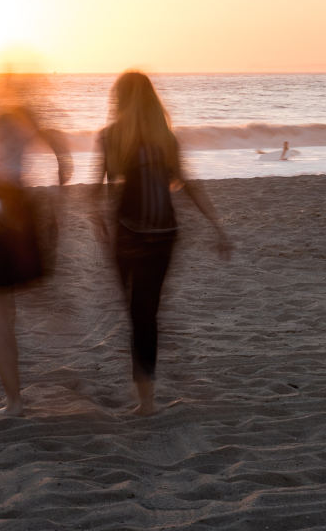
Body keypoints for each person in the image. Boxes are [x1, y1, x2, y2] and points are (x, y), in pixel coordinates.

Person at [95, 71, 231, 416]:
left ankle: (146, 401)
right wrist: (218, 227)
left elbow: (96, 192)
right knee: (146, 314)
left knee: (136, 314)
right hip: (163, 235)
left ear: (120, 100)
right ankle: (147, 400)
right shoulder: (165, 139)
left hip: (127, 234)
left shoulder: (110, 137)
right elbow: (187, 184)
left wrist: (97, 222)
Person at [0, 73, 71, 415]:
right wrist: (62, 165)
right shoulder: (25, 120)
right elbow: (46, 140)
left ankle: (14, 402)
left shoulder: (6, 121)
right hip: (20, 215)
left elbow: (6, 172)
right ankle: (17, 397)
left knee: (0, 318)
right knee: (9, 311)